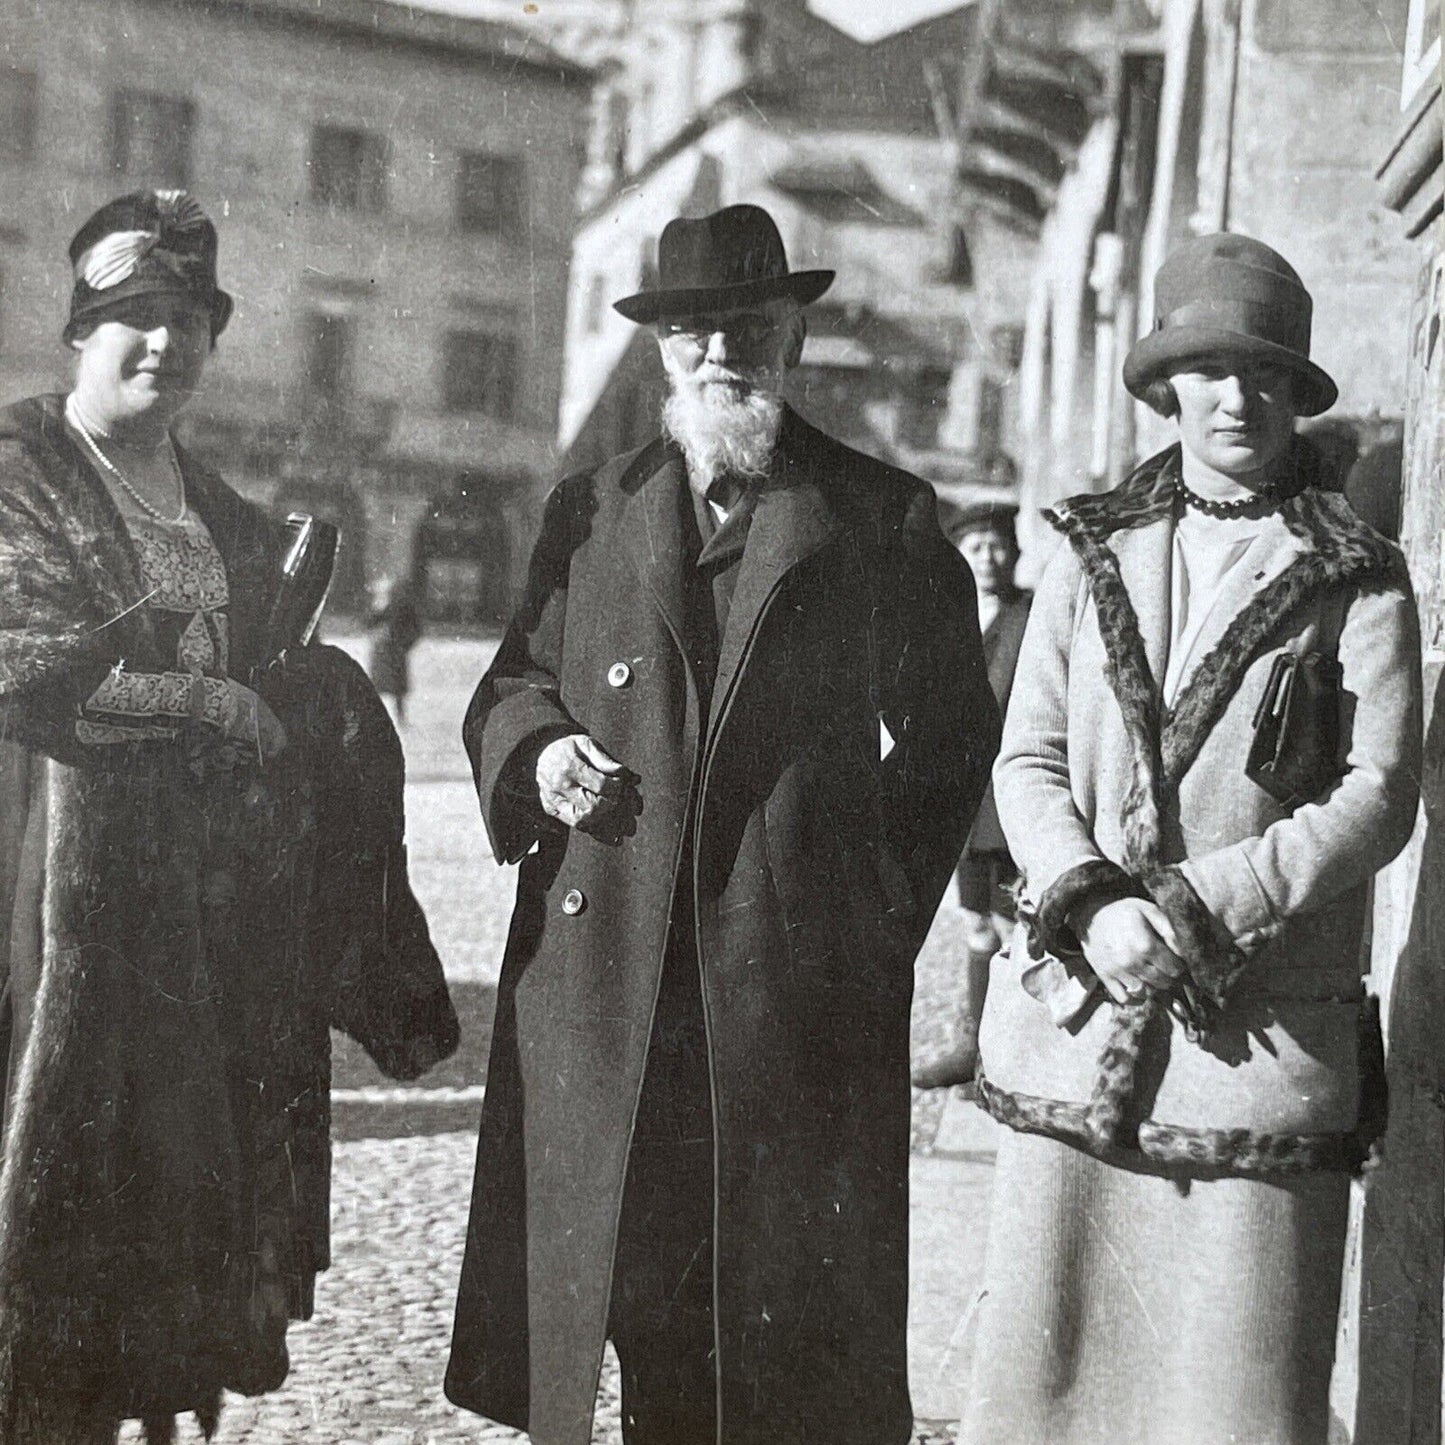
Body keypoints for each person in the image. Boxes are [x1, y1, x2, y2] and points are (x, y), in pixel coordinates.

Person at [446, 203, 999, 1445]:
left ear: (791, 336)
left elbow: (955, 739)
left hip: (782, 984)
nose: (719, 356)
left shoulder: (881, 518)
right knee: (631, 1290)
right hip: (613, 980)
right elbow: (506, 684)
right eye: (693, 332)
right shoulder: (588, 510)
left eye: (747, 329)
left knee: (774, 1320)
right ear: (658, 350)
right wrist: (536, 752)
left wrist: (864, 914)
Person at [0, 190, 458, 1443]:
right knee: (49, 1198)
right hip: (50, 901)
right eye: (135, 318)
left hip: (203, 934)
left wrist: (311, 705)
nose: (166, 344)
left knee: (176, 1205)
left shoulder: (229, 514)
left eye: (190, 320)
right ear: (78, 334)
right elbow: (24, 658)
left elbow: (273, 677)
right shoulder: (21, 469)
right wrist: (215, 703)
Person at [964, 232, 1422, 1444]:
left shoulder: (1358, 579)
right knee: (1050, 1385)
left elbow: (1375, 794)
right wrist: (1091, 901)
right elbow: (1027, 758)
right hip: (1076, 1025)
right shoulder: (1083, 546)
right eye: (1209, 369)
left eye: (1264, 374)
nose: (1235, 397)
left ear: (1293, 393)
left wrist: (1188, 904)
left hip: (1255, 1053)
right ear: (1166, 384)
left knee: (1230, 1399)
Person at [913, 498, 1031, 1090]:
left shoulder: (1030, 617)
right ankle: (976, 1051)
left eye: (997, 543)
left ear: (1015, 551)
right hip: (961, 799)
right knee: (976, 923)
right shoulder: (945, 616)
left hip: (1012, 800)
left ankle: (1012, 1065)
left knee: (1019, 928)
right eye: (974, 545)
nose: (987, 556)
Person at [368, 571, 424, 729]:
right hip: (383, 651)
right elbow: (368, 623)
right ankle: (374, 718)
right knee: (378, 687)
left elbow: (416, 629)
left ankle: (400, 719)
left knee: (396, 689)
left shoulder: (404, 606)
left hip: (395, 652)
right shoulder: (381, 604)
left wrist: (404, 644)